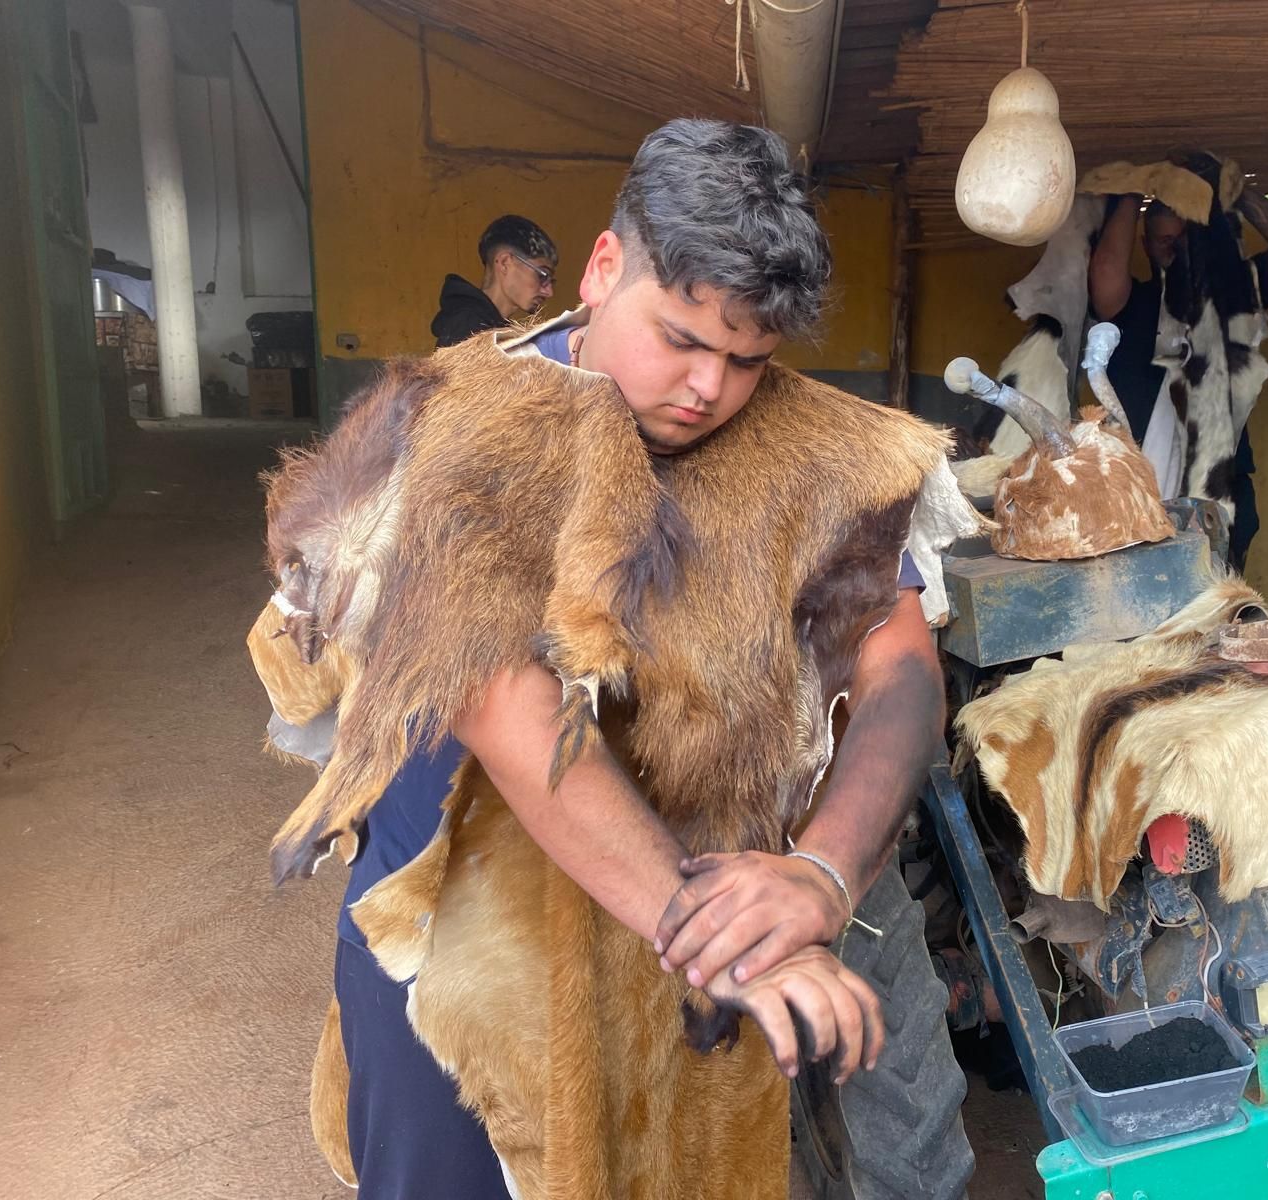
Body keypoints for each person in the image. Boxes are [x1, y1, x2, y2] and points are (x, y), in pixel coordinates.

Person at [302, 120, 941, 1198]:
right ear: (604, 269)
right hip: (459, 924)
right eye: (681, 337)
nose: (707, 387)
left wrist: (822, 873)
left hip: (672, 928)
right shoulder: (455, 427)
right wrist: (733, 944)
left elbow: (901, 665)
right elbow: (514, 716)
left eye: (747, 359)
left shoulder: (820, 448)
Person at [1088, 185, 1268, 570]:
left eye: (1187, 239)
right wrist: (1133, 190)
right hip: (1130, 502)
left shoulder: (1237, 300)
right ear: (1146, 246)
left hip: (1219, 503)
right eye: (1166, 240)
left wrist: (1233, 188)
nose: (1178, 250)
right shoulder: (1130, 304)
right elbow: (1106, 269)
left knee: (1214, 613)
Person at [429, 214, 558, 346]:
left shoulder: (492, 329)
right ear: (505, 263)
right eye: (543, 275)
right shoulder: (469, 331)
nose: (549, 292)